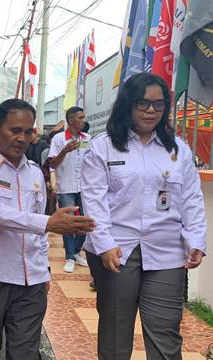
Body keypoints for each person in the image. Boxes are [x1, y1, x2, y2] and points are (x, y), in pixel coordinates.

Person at [81, 73, 206, 360]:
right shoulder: (104, 146)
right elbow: (94, 200)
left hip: (167, 250)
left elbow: (191, 199)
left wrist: (196, 239)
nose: (151, 111)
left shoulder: (177, 150)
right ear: (127, 105)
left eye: (158, 105)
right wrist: (104, 243)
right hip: (116, 251)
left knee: (165, 331)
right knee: (115, 329)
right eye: (143, 104)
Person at [0, 99, 95, 360]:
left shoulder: (35, 172)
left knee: (25, 352)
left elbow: (37, 228)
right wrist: (48, 222)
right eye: (14, 130)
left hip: (32, 282)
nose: (22, 138)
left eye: (28, 132)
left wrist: (45, 270)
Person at [48, 106, 91, 273]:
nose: (83, 121)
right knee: (68, 222)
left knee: (86, 221)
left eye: (83, 117)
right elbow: (52, 164)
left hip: (85, 187)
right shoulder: (59, 139)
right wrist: (65, 151)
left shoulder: (87, 138)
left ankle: (76, 251)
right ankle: (69, 257)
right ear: (71, 120)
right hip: (66, 187)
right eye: (80, 118)